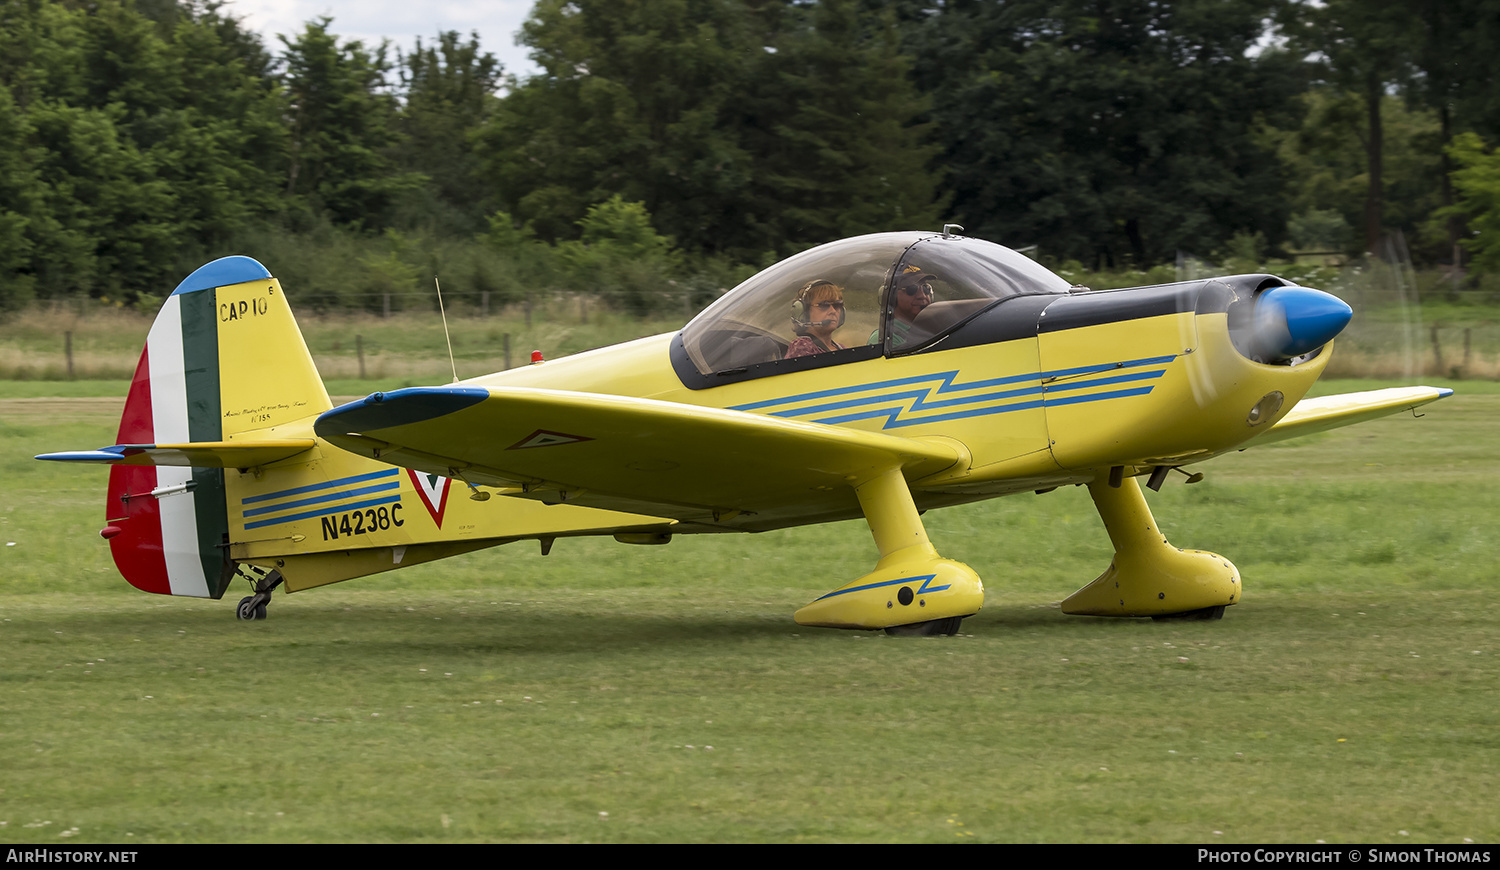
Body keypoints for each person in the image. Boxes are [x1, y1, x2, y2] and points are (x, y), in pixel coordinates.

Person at [869, 264, 935, 349]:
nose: (922, 295)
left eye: (926, 288)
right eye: (912, 289)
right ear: (891, 296)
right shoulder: (885, 338)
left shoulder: (931, 330)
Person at [785, 280, 847, 358]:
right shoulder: (802, 346)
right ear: (804, 311)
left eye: (837, 305)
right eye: (824, 305)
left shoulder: (842, 348)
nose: (833, 311)